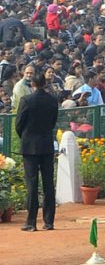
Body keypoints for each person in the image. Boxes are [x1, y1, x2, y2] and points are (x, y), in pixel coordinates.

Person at [18, 71, 60, 231]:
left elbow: (19, 124)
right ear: (44, 83)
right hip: (46, 143)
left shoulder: (27, 100)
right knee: (48, 183)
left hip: (30, 145)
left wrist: (26, 136)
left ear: (33, 84)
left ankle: (31, 222)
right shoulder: (52, 100)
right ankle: (49, 222)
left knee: (32, 183)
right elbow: (53, 121)